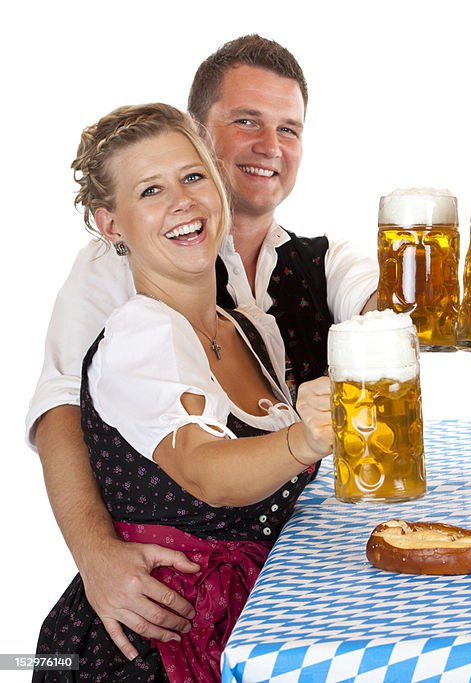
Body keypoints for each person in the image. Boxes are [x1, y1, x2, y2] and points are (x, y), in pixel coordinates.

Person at [26, 35, 376, 658]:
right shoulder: (124, 298)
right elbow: (65, 412)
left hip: (264, 608)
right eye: (245, 121)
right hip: (156, 635)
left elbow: (386, 312)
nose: (269, 146)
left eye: (288, 128)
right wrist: (97, 555)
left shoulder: (253, 316)